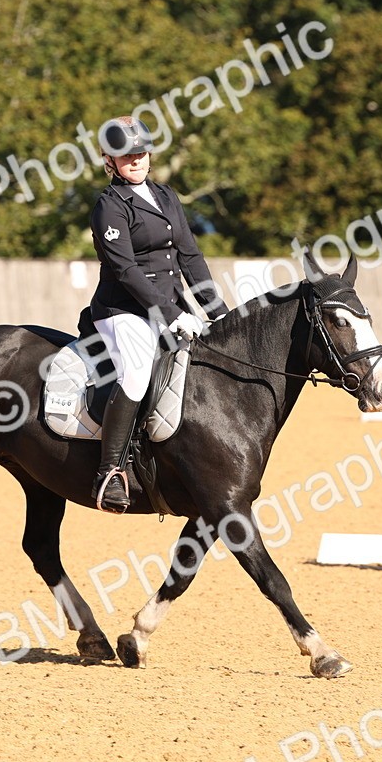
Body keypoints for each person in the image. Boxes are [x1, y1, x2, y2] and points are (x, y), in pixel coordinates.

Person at [88, 115, 230, 512]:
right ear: (109, 161)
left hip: (171, 307)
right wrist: (170, 313)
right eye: (125, 155)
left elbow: (190, 256)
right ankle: (110, 472)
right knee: (136, 371)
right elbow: (126, 270)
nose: (134, 160)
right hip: (124, 309)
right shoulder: (109, 206)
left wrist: (219, 313)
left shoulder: (167, 196)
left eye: (140, 152)